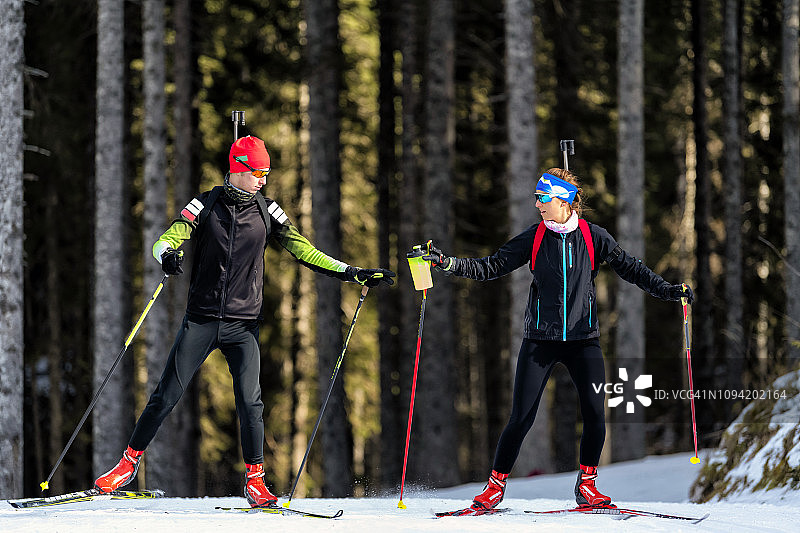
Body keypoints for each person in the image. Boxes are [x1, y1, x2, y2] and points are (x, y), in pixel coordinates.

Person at [94, 135, 395, 507]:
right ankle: (126, 465)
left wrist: (351, 272)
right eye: (258, 172)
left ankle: (255, 482)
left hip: (243, 325)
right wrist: (168, 255)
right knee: (166, 395)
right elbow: (165, 239)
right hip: (201, 320)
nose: (263, 180)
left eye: (266, 173)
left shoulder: (268, 211)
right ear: (238, 168)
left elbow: (304, 250)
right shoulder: (205, 203)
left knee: (251, 404)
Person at [422, 168, 693, 510]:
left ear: (563, 200)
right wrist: (447, 264)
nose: (537, 205)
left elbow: (633, 269)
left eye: (543, 198)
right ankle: (494, 488)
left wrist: (669, 291)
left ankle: (587, 486)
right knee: (521, 417)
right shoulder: (534, 238)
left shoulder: (594, 237)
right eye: (537, 198)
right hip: (541, 341)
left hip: (584, 340)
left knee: (595, 414)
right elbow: (491, 266)